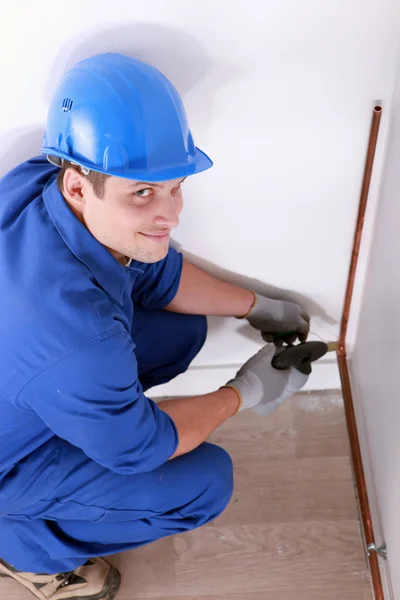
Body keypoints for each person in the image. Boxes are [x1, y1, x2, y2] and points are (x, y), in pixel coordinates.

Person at [0, 53, 310, 600]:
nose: (171, 213)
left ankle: (86, 424)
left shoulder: (39, 187)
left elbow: (155, 271)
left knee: (181, 332)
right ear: (77, 185)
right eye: (143, 193)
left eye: (175, 186)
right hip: (10, 460)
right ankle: (25, 555)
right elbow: (142, 449)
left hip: (32, 384)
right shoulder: (78, 341)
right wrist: (245, 391)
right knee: (202, 482)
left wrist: (254, 305)